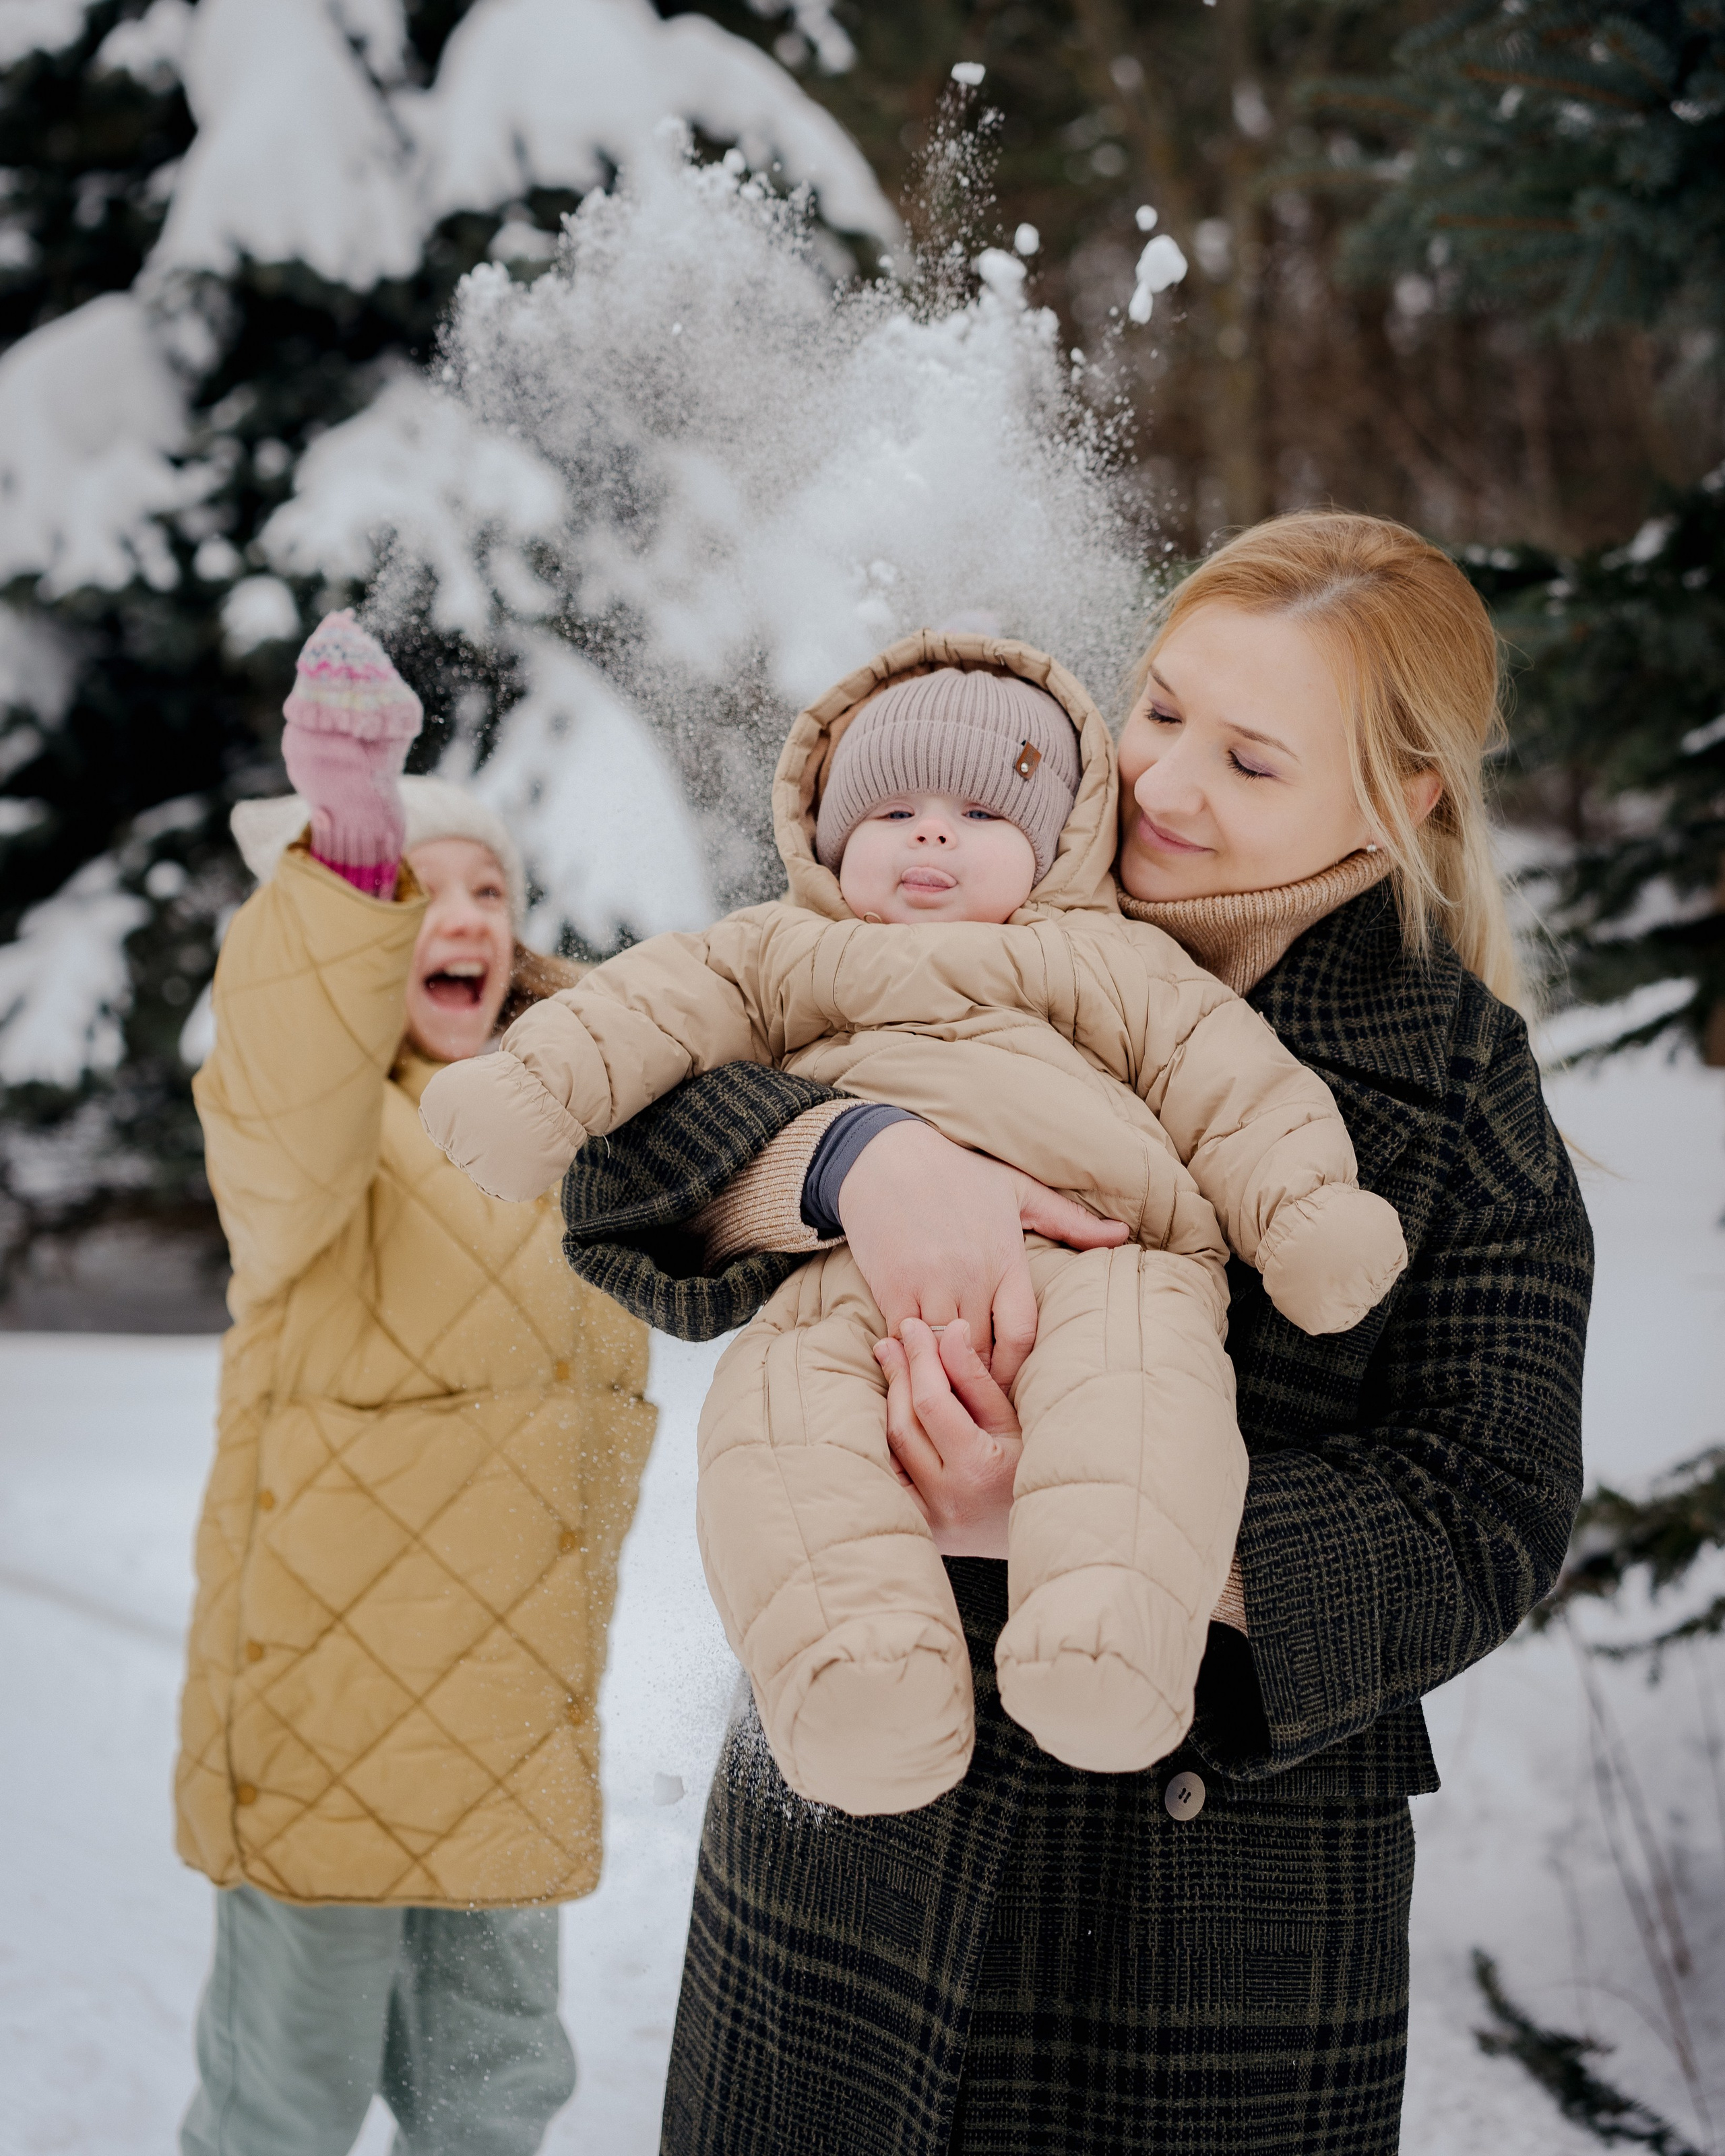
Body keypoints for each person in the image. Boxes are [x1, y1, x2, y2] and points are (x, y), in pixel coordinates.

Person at [558, 513, 1594, 2154]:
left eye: (1248, 759)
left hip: (1210, 1915)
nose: (1163, 781)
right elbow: (627, 1126)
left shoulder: (1458, 1079)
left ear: (1400, 798)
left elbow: (1485, 1510)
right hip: (851, 1866)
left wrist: (1097, 1523)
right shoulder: (975, 856)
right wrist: (848, 1163)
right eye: (1160, 706)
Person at [420, 646, 1408, 1816]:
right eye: (891, 812)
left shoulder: (1114, 958)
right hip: (848, 1286)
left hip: (1106, 1263)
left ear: (1056, 844)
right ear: (829, 837)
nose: (931, 833)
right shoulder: (782, 949)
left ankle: (1109, 1643)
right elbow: (644, 1010)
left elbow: (1234, 1090)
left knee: (1141, 1414)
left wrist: (1302, 1212)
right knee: (780, 1437)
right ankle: (857, 1684)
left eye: (982, 814)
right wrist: (535, 1090)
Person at [175, 612, 658, 2156]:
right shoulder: (316, 1151)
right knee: (286, 2098)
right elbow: (286, 1070)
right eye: (413, 890)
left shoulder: (579, 1127)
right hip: (327, 1717)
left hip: (511, 1721)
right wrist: (348, 857)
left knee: (494, 2096)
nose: (458, 919)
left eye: (487, 892)